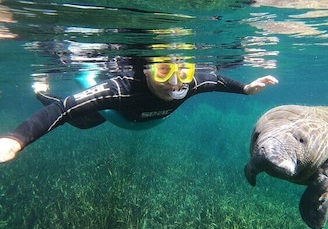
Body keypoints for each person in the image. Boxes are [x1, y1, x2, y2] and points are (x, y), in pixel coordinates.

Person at [0, 56, 278, 163]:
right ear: (146, 70)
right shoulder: (121, 89)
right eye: (163, 71)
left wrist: (245, 89)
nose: (174, 83)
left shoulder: (191, 82)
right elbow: (64, 109)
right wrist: (17, 139)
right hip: (119, 115)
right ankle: (40, 91)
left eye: (182, 70)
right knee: (85, 121)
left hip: (140, 121)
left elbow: (217, 80)